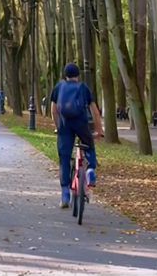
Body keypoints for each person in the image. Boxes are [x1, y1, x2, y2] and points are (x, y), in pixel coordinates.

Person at [50, 63, 103, 209]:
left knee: (64, 158)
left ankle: (65, 195)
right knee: (89, 145)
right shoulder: (83, 88)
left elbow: (54, 110)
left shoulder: (59, 87)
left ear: (65, 75)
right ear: (78, 75)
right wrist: (99, 130)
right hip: (81, 124)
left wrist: (58, 127)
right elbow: (95, 111)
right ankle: (90, 170)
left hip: (65, 126)